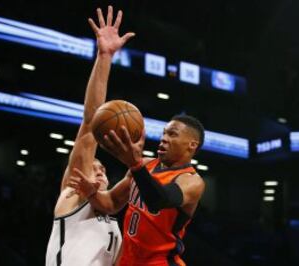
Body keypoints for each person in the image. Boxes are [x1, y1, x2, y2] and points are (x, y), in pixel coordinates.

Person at [45, 6, 135, 266]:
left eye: (102, 168)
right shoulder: (74, 197)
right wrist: (105, 57)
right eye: (91, 165)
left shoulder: (113, 221)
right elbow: (90, 125)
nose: (97, 170)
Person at [69, 114, 206, 265]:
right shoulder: (145, 165)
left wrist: (135, 165)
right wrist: (91, 192)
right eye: (164, 133)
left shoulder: (192, 180)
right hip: (128, 260)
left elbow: (159, 200)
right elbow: (112, 203)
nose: (164, 138)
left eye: (172, 134)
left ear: (192, 145)